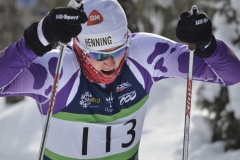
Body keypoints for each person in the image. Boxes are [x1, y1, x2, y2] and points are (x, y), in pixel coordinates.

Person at [0, 0, 240, 159]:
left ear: (128, 39)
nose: (111, 63)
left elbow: (230, 74)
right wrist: (36, 40)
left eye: (118, 50)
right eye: (98, 55)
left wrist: (208, 45)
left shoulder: (144, 54)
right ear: (79, 48)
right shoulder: (57, 69)